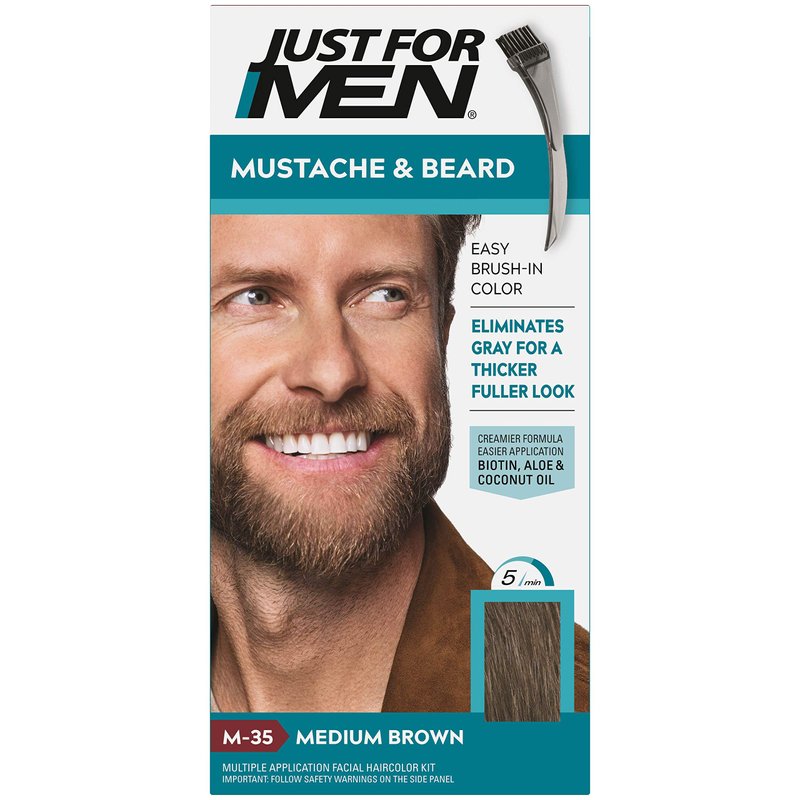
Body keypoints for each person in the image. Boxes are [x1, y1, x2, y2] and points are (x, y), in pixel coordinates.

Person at [210, 214, 588, 713]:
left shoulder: (565, 719)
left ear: (442, 335)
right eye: (256, 297)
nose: (333, 373)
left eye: (386, 295)